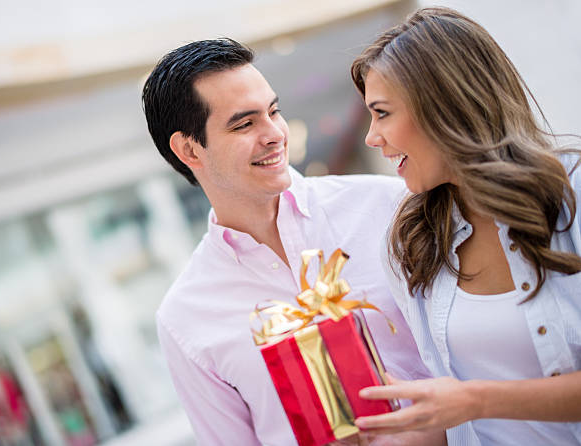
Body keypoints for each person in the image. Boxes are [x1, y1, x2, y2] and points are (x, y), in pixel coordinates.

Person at [142, 38, 445, 445]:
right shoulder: (185, 318)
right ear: (189, 149)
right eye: (244, 124)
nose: (275, 134)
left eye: (273, 111)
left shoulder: (387, 208)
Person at [349, 6, 581, 445]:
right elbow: (454, 422)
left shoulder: (571, 194)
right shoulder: (409, 242)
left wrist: (477, 400)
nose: (372, 137)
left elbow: (467, 403)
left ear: (442, 105)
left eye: (382, 113)